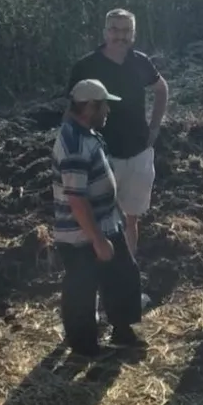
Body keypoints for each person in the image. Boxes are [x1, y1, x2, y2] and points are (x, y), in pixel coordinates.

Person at [68, 8, 169, 310]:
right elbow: (71, 111)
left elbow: (162, 89)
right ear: (105, 32)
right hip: (102, 155)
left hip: (138, 152)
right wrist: (74, 149)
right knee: (98, 226)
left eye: (126, 30)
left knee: (130, 220)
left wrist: (154, 129)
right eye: (114, 29)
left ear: (133, 34)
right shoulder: (87, 66)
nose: (120, 35)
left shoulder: (140, 62)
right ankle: (99, 297)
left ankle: (126, 289)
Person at [51, 79, 145, 356]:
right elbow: (77, 199)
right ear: (90, 107)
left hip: (105, 223)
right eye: (104, 106)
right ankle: (84, 348)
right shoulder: (74, 144)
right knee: (81, 289)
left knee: (123, 275)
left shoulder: (87, 134)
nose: (108, 111)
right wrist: (97, 240)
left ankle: (122, 329)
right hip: (82, 234)